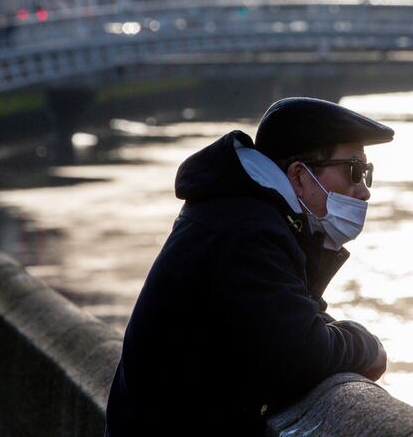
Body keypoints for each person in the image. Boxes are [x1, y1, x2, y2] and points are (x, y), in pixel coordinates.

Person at [105, 97, 393, 436]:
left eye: (367, 174)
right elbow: (300, 355)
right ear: (299, 177)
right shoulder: (249, 232)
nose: (364, 191)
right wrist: (367, 345)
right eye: (354, 170)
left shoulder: (245, 212)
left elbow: (289, 321)